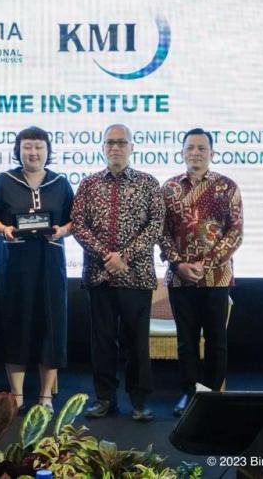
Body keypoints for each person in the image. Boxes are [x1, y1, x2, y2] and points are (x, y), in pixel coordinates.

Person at [71, 124, 164, 422]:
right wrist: (105, 255)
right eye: (110, 143)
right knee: (102, 342)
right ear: (102, 148)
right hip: (100, 276)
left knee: (137, 343)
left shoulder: (148, 183)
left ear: (132, 147)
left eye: (121, 142)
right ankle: (105, 399)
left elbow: (155, 225)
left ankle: (140, 401)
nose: (115, 147)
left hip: (136, 276)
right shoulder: (88, 184)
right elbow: (78, 225)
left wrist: (123, 256)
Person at [0, 126, 74, 413]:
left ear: (48, 150)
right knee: (15, 324)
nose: (33, 152)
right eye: (27, 147)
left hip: (49, 264)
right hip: (13, 265)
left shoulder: (60, 183)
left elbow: (74, 220)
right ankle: (17, 395)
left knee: (50, 326)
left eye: (38, 147)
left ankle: (46, 396)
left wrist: (62, 231)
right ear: (18, 151)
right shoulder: (4, 180)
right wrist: (4, 229)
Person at [159, 127, 243, 416]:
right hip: (179, 278)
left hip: (217, 278)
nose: (195, 153)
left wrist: (204, 265)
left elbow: (235, 233)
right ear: (182, 152)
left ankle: (212, 396)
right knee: (187, 341)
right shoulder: (169, 188)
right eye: (190, 148)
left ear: (212, 153)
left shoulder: (227, 187)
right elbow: (161, 232)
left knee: (217, 340)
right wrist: (178, 264)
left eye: (201, 148)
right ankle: (190, 394)